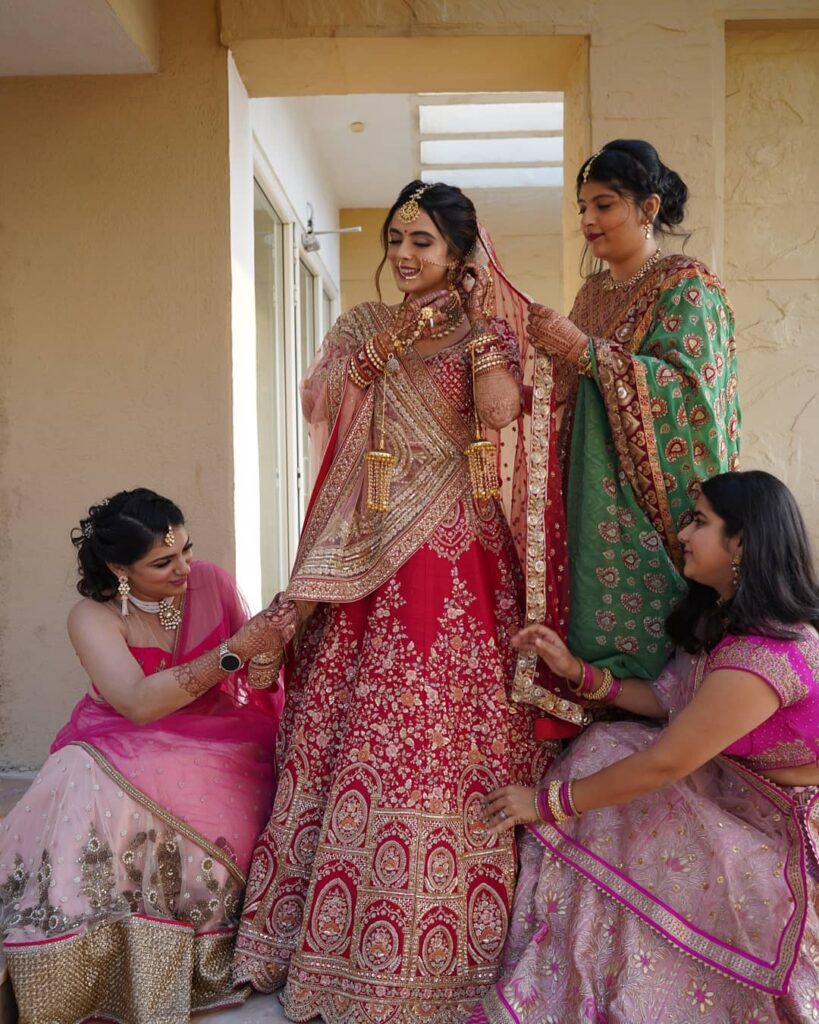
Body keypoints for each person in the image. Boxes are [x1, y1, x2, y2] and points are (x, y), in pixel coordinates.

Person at [234, 182, 564, 1021]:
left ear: (460, 253)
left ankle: (448, 940)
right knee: (358, 716)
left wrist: (491, 344)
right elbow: (317, 405)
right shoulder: (362, 326)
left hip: (454, 545)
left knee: (441, 719)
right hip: (370, 542)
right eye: (395, 240)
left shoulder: (483, 326)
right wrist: (356, 367)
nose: (405, 256)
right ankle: (329, 936)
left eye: (423, 241)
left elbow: (501, 414)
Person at [471, 470, 819, 1023]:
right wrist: (575, 672)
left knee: (623, 792)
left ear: (743, 542)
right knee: (611, 751)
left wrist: (544, 803)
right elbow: (669, 700)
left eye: (699, 522)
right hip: (735, 791)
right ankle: (589, 973)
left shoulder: (769, 653)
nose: (682, 534)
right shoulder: (726, 621)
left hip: (785, 827)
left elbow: (667, 760)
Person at [0, 488, 296, 1023]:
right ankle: (76, 953)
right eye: (163, 561)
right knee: (79, 774)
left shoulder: (211, 581)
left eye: (186, 550)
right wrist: (239, 646)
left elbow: (259, 682)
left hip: (220, 734)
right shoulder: (92, 616)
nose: (184, 567)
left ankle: (193, 945)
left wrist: (271, 643)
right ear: (119, 566)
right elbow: (137, 703)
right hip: (121, 733)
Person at [523, 139, 741, 685]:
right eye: (582, 207)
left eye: (604, 204)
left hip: (656, 512)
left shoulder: (688, 286)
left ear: (648, 208)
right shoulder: (591, 295)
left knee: (670, 675)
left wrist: (586, 352)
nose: (588, 220)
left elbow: (691, 397)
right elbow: (570, 392)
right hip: (589, 502)